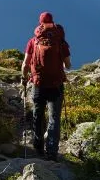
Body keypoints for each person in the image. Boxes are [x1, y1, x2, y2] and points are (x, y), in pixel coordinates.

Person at [21, 11, 71, 160]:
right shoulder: (60, 41)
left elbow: (25, 64)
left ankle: (38, 147)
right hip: (56, 85)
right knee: (54, 117)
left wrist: (24, 78)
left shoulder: (33, 41)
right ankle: (52, 152)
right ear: (53, 22)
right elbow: (68, 65)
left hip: (38, 84)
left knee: (38, 115)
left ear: (40, 23)